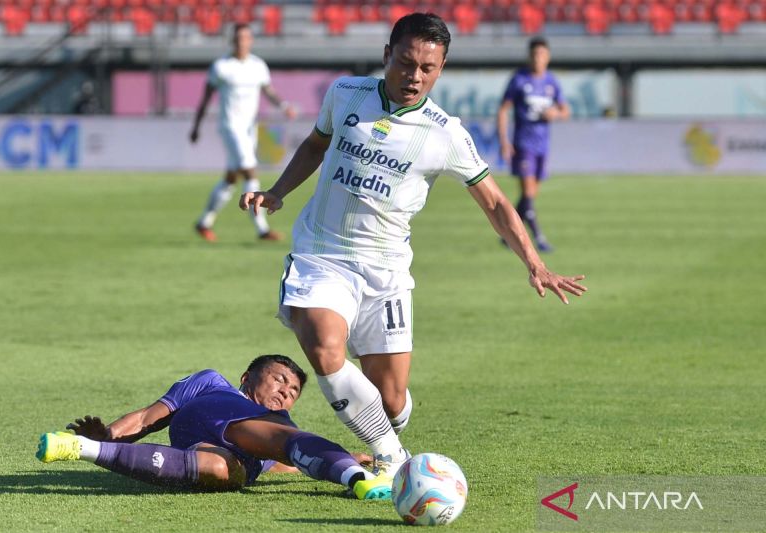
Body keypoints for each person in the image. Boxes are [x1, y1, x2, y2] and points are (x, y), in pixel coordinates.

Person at [240, 13, 587, 478]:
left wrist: (534, 263)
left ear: (441, 68)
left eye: (428, 68)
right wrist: (278, 191)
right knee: (325, 347)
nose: (415, 76)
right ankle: (392, 457)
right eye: (406, 63)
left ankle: (386, 425)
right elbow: (314, 145)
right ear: (387, 55)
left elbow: (496, 202)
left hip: (386, 271)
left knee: (391, 401)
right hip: (322, 254)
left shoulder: (445, 133)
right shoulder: (346, 94)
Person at [36, 354, 391, 499]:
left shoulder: (279, 423)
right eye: (279, 379)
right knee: (288, 438)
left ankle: (80, 449)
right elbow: (148, 417)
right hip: (215, 413)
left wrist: (349, 455)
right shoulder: (212, 383)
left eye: (293, 390)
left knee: (221, 470)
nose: (285, 391)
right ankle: (357, 482)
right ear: (247, 377)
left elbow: (286, 463)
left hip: (225, 453)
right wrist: (111, 431)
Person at [189, 23, 296, 243]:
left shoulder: (258, 66)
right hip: (230, 127)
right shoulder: (221, 67)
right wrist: (196, 126)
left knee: (231, 178)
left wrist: (284, 105)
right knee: (250, 171)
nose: (241, 42)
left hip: (249, 128)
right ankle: (262, 229)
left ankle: (204, 223)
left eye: (245, 37)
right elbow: (205, 98)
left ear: (251, 40)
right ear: (232, 41)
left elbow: (268, 90)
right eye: (237, 38)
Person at [497, 36, 571, 253]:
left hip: (543, 145)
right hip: (524, 143)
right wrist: (504, 140)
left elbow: (566, 111)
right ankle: (539, 238)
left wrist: (555, 113)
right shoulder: (519, 80)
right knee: (528, 193)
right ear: (529, 57)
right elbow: (503, 109)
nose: (538, 58)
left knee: (530, 196)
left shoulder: (551, 82)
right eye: (535, 54)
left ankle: (506, 234)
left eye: (542, 54)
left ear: (547, 57)